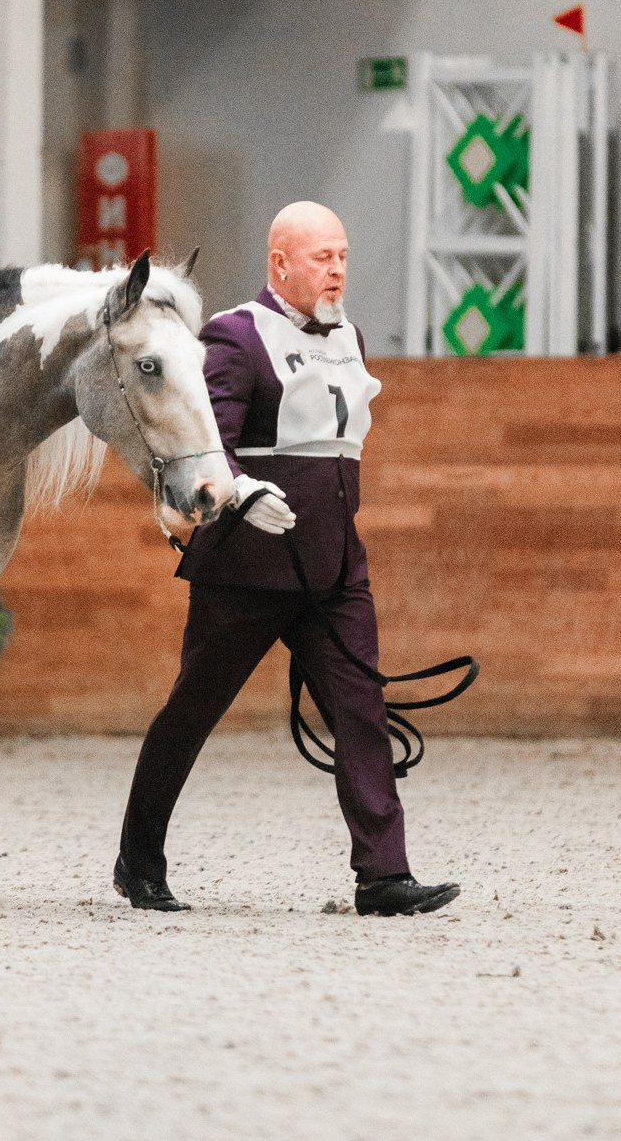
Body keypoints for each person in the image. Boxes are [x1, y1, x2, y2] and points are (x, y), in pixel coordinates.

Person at [113, 201, 461, 916]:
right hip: (247, 568)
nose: (336, 270)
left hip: (333, 567)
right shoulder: (236, 335)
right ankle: (138, 859)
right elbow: (208, 440)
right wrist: (239, 490)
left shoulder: (349, 336)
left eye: (342, 256)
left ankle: (383, 875)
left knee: (360, 707)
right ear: (279, 263)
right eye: (320, 257)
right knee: (192, 710)